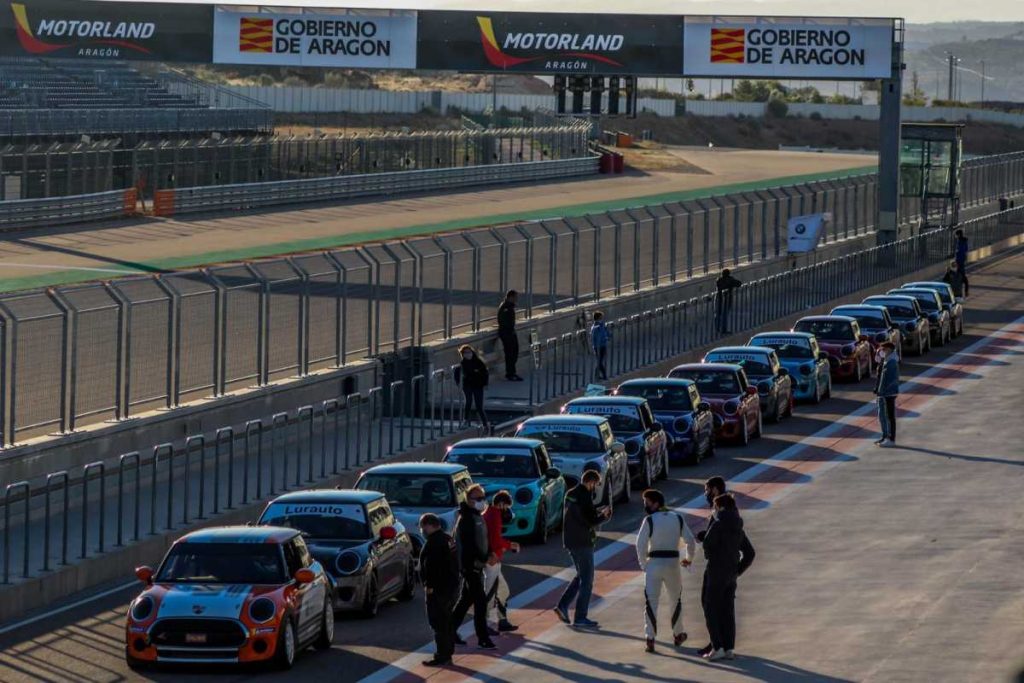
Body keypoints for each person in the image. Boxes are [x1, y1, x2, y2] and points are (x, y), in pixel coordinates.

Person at [636, 489, 696, 653]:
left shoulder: (649, 520)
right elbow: (690, 541)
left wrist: (644, 565)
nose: (645, 505)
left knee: (651, 602)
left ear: (656, 503)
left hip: (653, 564)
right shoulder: (677, 518)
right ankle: (678, 634)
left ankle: (650, 638)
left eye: (647, 502)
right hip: (673, 563)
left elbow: (640, 545)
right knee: (675, 600)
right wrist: (688, 559)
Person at [701, 493, 756, 662]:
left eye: (716, 507)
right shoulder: (738, 527)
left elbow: (707, 543)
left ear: (721, 507)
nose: (714, 510)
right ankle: (729, 648)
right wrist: (738, 570)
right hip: (731, 574)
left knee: (710, 608)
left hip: (716, 571)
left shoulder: (718, 524)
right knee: (727, 610)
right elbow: (750, 553)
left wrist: (710, 555)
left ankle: (717, 646)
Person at [554, 470, 610, 628]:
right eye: (596, 484)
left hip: (570, 540)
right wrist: (604, 516)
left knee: (581, 575)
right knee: (587, 580)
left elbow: (580, 515)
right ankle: (580, 617)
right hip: (583, 541)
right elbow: (590, 520)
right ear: (591, 482)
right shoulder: (585, 496)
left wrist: (596, 512)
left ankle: (563, 605)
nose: (595, 487)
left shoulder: (571, 494)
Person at [451, 484, 496, 649]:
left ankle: (450, 631)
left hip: (476, 565)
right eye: (478, 498)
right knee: (480, 601)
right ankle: (483, 638)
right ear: (469, 500)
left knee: (466, 600)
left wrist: (489, 552)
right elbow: (469, 545)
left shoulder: (477, 516)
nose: (481, 501)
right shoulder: (467, 519)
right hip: (470, 566)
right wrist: (484, 558)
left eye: (483, 498)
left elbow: (483, 538)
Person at [419, 513, 461, 667]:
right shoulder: (448, 539)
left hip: (438, 589)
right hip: (451, 586)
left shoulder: (433, 543)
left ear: (429, 525)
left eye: (423, 527)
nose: (422, 530)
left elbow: (431, 567)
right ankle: (448, 652)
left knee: (438, 622)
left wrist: (430, 586)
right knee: (446, 620)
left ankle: (442, 655)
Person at [695, 476, 727, 657]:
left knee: (709, 604)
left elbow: (719, 535)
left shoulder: (721, 509)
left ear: (715, 489)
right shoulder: (723, 507)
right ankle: (718, 642)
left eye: (707, 490)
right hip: (721, 564)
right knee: (715, 605)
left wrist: (705, 538)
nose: (706, 494)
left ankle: (717, 643)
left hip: (717, 565)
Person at [482, 490, 520, 635]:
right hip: (492, 559)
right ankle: (483, 624)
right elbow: (496, 540)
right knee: (490, 593)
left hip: (492, 557)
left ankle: (502, 621)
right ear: (502, 504)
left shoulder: (487, 513)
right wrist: (511, 545)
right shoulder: (495, 515)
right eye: (507, 507)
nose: (507, 511)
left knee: (503, 591)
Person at [873, 341, 900, 447]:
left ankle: (890, 439)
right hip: (884, 392)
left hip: (888, 393)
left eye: (883, 349)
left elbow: (891, 380)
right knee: (884, 415)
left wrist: (883, 391)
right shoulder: (886, 360)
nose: (882, 351)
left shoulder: (891, 362)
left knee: (889, 416)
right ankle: (886, 437)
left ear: (889, 349)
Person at [457, 345, 490, 431]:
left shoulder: (478, 362)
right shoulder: (462, 364)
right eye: (466, 353)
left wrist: (485, 384)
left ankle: (485, 424)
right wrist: (459, 383)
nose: (468, 355)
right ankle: (465, 420)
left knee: (479, 405)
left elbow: (485, 373)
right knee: (468, 402)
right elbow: (456, 374)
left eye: (469, 352)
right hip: (467, 385)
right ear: (463, 355)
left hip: (478, 385)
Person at [497, 290, 523, 381]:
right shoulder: (505, 307)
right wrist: (509, 331)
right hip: (506, 333)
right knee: (510, 353)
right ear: (511, 297)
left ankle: (512, 372)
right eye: (515, 297)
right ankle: (510, 373)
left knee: (514, 352)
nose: (517, 299)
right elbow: (503, 322)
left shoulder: (509, 306)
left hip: (510, 332)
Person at [715, 269, 742, 334]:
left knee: (718, 314)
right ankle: (723, 329)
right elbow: (739, 283)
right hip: (726, 299)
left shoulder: (719, 280)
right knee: (724, 314)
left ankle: (717, 329)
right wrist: (731, 284)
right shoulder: (730, 280)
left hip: (719, 298)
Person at [590, 311, 611, 381]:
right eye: (601, 317)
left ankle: (597, 375)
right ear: (598, 318)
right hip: (598, 346)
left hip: (603, 345)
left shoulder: (602, 325)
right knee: (600, 361)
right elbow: (595, 338)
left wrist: (608, 336)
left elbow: (606, 332)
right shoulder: (595, 327)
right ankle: (603, 375)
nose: (602, 319)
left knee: (600, 361)